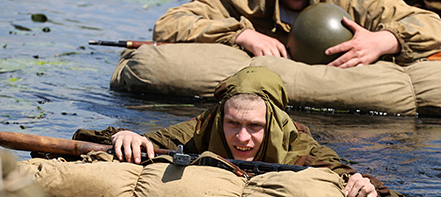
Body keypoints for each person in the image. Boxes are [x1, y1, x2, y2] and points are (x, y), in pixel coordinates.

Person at [105, 66, 415, 197]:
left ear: (274, 124)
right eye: (233, 124)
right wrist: (126, 136)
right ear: (220, 118)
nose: (241, 138)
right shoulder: (205, 126)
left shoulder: (301, 147)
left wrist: (369, 191)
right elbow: (97, 140)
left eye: (255, 127)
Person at [152, 0, 441, 67]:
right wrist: (240, 34)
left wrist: (385, 40)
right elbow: (170, 22)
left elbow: (431, 23)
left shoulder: (354, 3)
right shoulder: (247, 3)